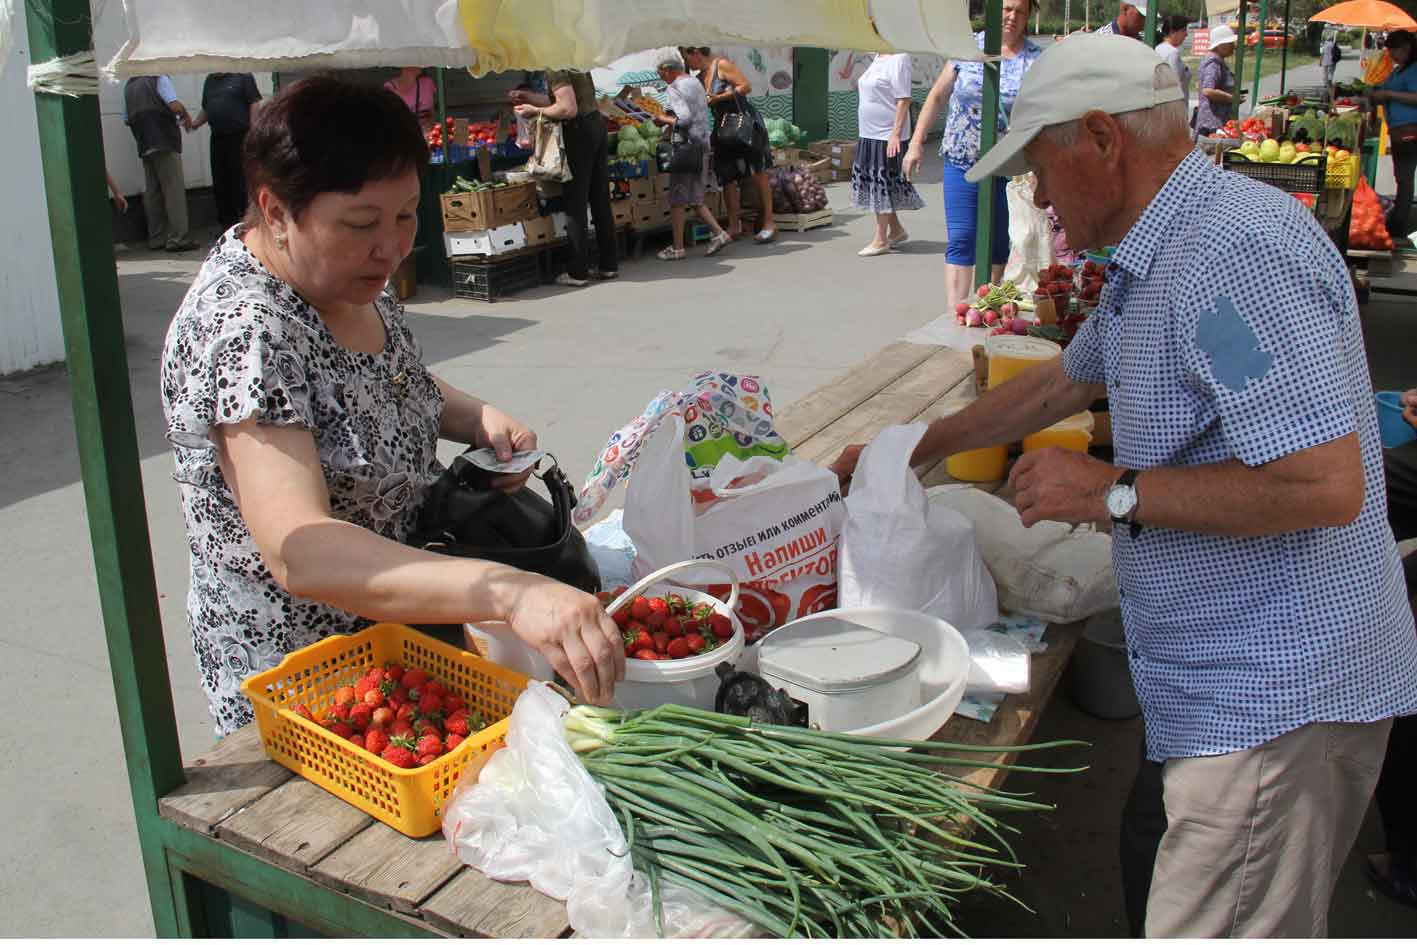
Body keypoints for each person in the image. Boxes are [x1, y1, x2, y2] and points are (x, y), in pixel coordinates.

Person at [830, 33, 1417, 936]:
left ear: (1101, 138)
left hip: (1273, 691)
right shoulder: (1164, 252)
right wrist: (906, 445)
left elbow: (1321, 483)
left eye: (1038, 169)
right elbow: (1064, 379)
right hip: (1214, 674)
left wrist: (1111, 490)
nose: (1039, 199)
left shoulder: (1229, 259)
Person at [160, 77, 624, 737]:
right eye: (361, 223)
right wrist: (505, 590)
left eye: (406, 214)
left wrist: (473, 416)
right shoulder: (247, 328)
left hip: (407, 638)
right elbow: (302, 549)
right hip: (316, 684)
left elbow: (382, 380)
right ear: (276, 210)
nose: (392, 246)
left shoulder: (346, 275)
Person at [906, 0, 1042, 308]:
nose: (1011, 17)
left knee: (998, 243)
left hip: (1010, 168)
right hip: (961, 160)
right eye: (1007, 8)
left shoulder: (1035, 60)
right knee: (962, 238)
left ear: (1029, 15)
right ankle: (957, 311)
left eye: (1019, 11)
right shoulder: (969, 48)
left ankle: (987, 306)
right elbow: (938, 95)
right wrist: (915, 143)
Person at [512, 71, 620, 285]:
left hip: (578, 131)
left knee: (575, 202)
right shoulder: (575, 61)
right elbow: (562, 99)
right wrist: (531, 98)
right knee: (599, 199)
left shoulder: (556, 65)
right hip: (595, 125)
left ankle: (577, 272)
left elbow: (568, 109)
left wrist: (535, 110)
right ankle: (608, 265)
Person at [680, 46, 777, 243]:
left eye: (686, 58)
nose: (687, 64)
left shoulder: (721, 65)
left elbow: (744, 87)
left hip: (743, 123)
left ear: (696, 53)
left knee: (758, 171)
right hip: (722, 127)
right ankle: (734, 225)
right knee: (726, 176)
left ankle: (769, 222)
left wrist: (719, 97)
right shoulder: (699, 78)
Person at [651, 55, 732, 261]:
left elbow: (684, 120)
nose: (661, 78)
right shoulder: (694, 81)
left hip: (685, 147)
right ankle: (720, 234)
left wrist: (662, 118)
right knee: (696, 197)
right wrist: (668, 119)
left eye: (660, 73)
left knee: (678, 199)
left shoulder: (675, 87)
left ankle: (678, 248)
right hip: (702, 145)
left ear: (668, 70)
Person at [851, 53, 925, 256]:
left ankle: (881, 239)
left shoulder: (900, 58)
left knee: (880, 184)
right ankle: (896, 230)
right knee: (878, 182)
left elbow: (903, 99)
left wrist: (895, 134)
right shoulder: (876, 57)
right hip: (868, 132)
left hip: (886, 134)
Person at [123, 74, 198, 252]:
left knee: (153, 192)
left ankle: (157, 238)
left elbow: (127, 119)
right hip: (164, 141)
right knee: (173, 191)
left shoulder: (129, 86)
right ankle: (179, 238)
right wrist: (186, 114)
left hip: (144, 143)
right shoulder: (159, 79)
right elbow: (174, 105)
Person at [190, 73, 262, 231]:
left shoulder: (243, 76)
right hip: (218, 138)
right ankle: (227, 226)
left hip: (239, 136)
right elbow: (207, 108)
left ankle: (248, 224)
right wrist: (195, 123)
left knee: (240, 181)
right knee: (221, 183)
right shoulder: (209, 80)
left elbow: (254, 104)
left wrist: (254, 132)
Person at [1370, 31, 1417, 246]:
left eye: (1394, 50)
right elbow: (1387, 90)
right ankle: (1398, 221)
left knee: (1404, 178)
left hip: (1410, 130)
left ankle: (1399, 227)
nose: (1391, 55)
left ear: (1406, 48)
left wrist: (1388, 95)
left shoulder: (1414, 70)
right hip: (1399, 132)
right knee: (1402, 178)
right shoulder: (1399, 71)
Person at [1193, 24, 1241, 137]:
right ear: (1220, 45)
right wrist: (1232, 99)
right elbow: (1208, 91)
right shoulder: (1213, 64)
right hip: (1212, 124)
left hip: (1213, 121)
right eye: (1230, 44)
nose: (1233, 46)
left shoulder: (1215, 62)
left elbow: (1198, 85)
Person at [1154, 14, 1192, 104]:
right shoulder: (1173, 53)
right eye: (1183, 30)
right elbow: (1175, 86)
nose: (1186, 34)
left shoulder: (1158, 48)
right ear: (1172, 32)